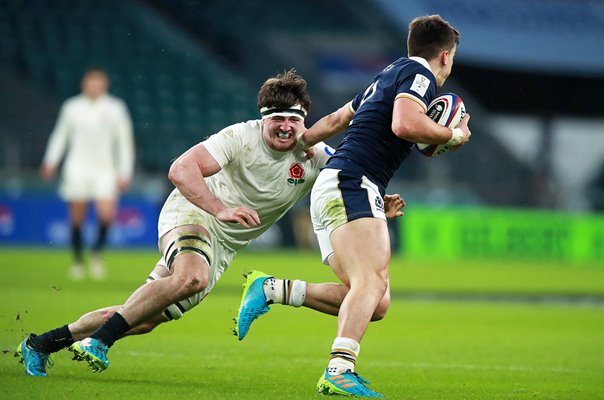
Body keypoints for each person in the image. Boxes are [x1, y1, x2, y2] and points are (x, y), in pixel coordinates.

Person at [16, 69, 398, 379]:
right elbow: (181, 169)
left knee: (144, 318)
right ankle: (100, 342)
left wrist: (377, 200)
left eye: (293, 121)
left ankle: (40, 344)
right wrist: (218, 209)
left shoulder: (316, 156)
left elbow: (343, 183)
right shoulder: (240, 136)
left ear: (306, 122)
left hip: (224, 245)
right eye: (276, 119)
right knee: (190, 277)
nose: (285, 128)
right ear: (262, 118)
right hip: (193, 214)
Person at [235, 15, 471, 398]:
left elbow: (336, 119)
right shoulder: (420, 76)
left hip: (347, 183)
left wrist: (302, 142)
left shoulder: (389, 74)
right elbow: (405, 126)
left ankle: (271, 289)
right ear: (445, 55)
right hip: (351, 181)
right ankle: (340, 369)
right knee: (371, 283)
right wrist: (453, 135)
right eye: (454, 57)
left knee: (376, 301)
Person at [40, 68, 135, 280]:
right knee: (77, 216)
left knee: (107, 215)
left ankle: (96, 254)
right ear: (84, 84)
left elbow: (124, 142)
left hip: (105, 169)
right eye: (90, 82)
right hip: (77, 167)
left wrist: (125, 171)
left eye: (98, 82)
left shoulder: (115, 108)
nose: (94, 86)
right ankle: (77, 261)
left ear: (105, 85)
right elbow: (60, 135)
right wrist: (50, 161)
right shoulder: (72, 107)